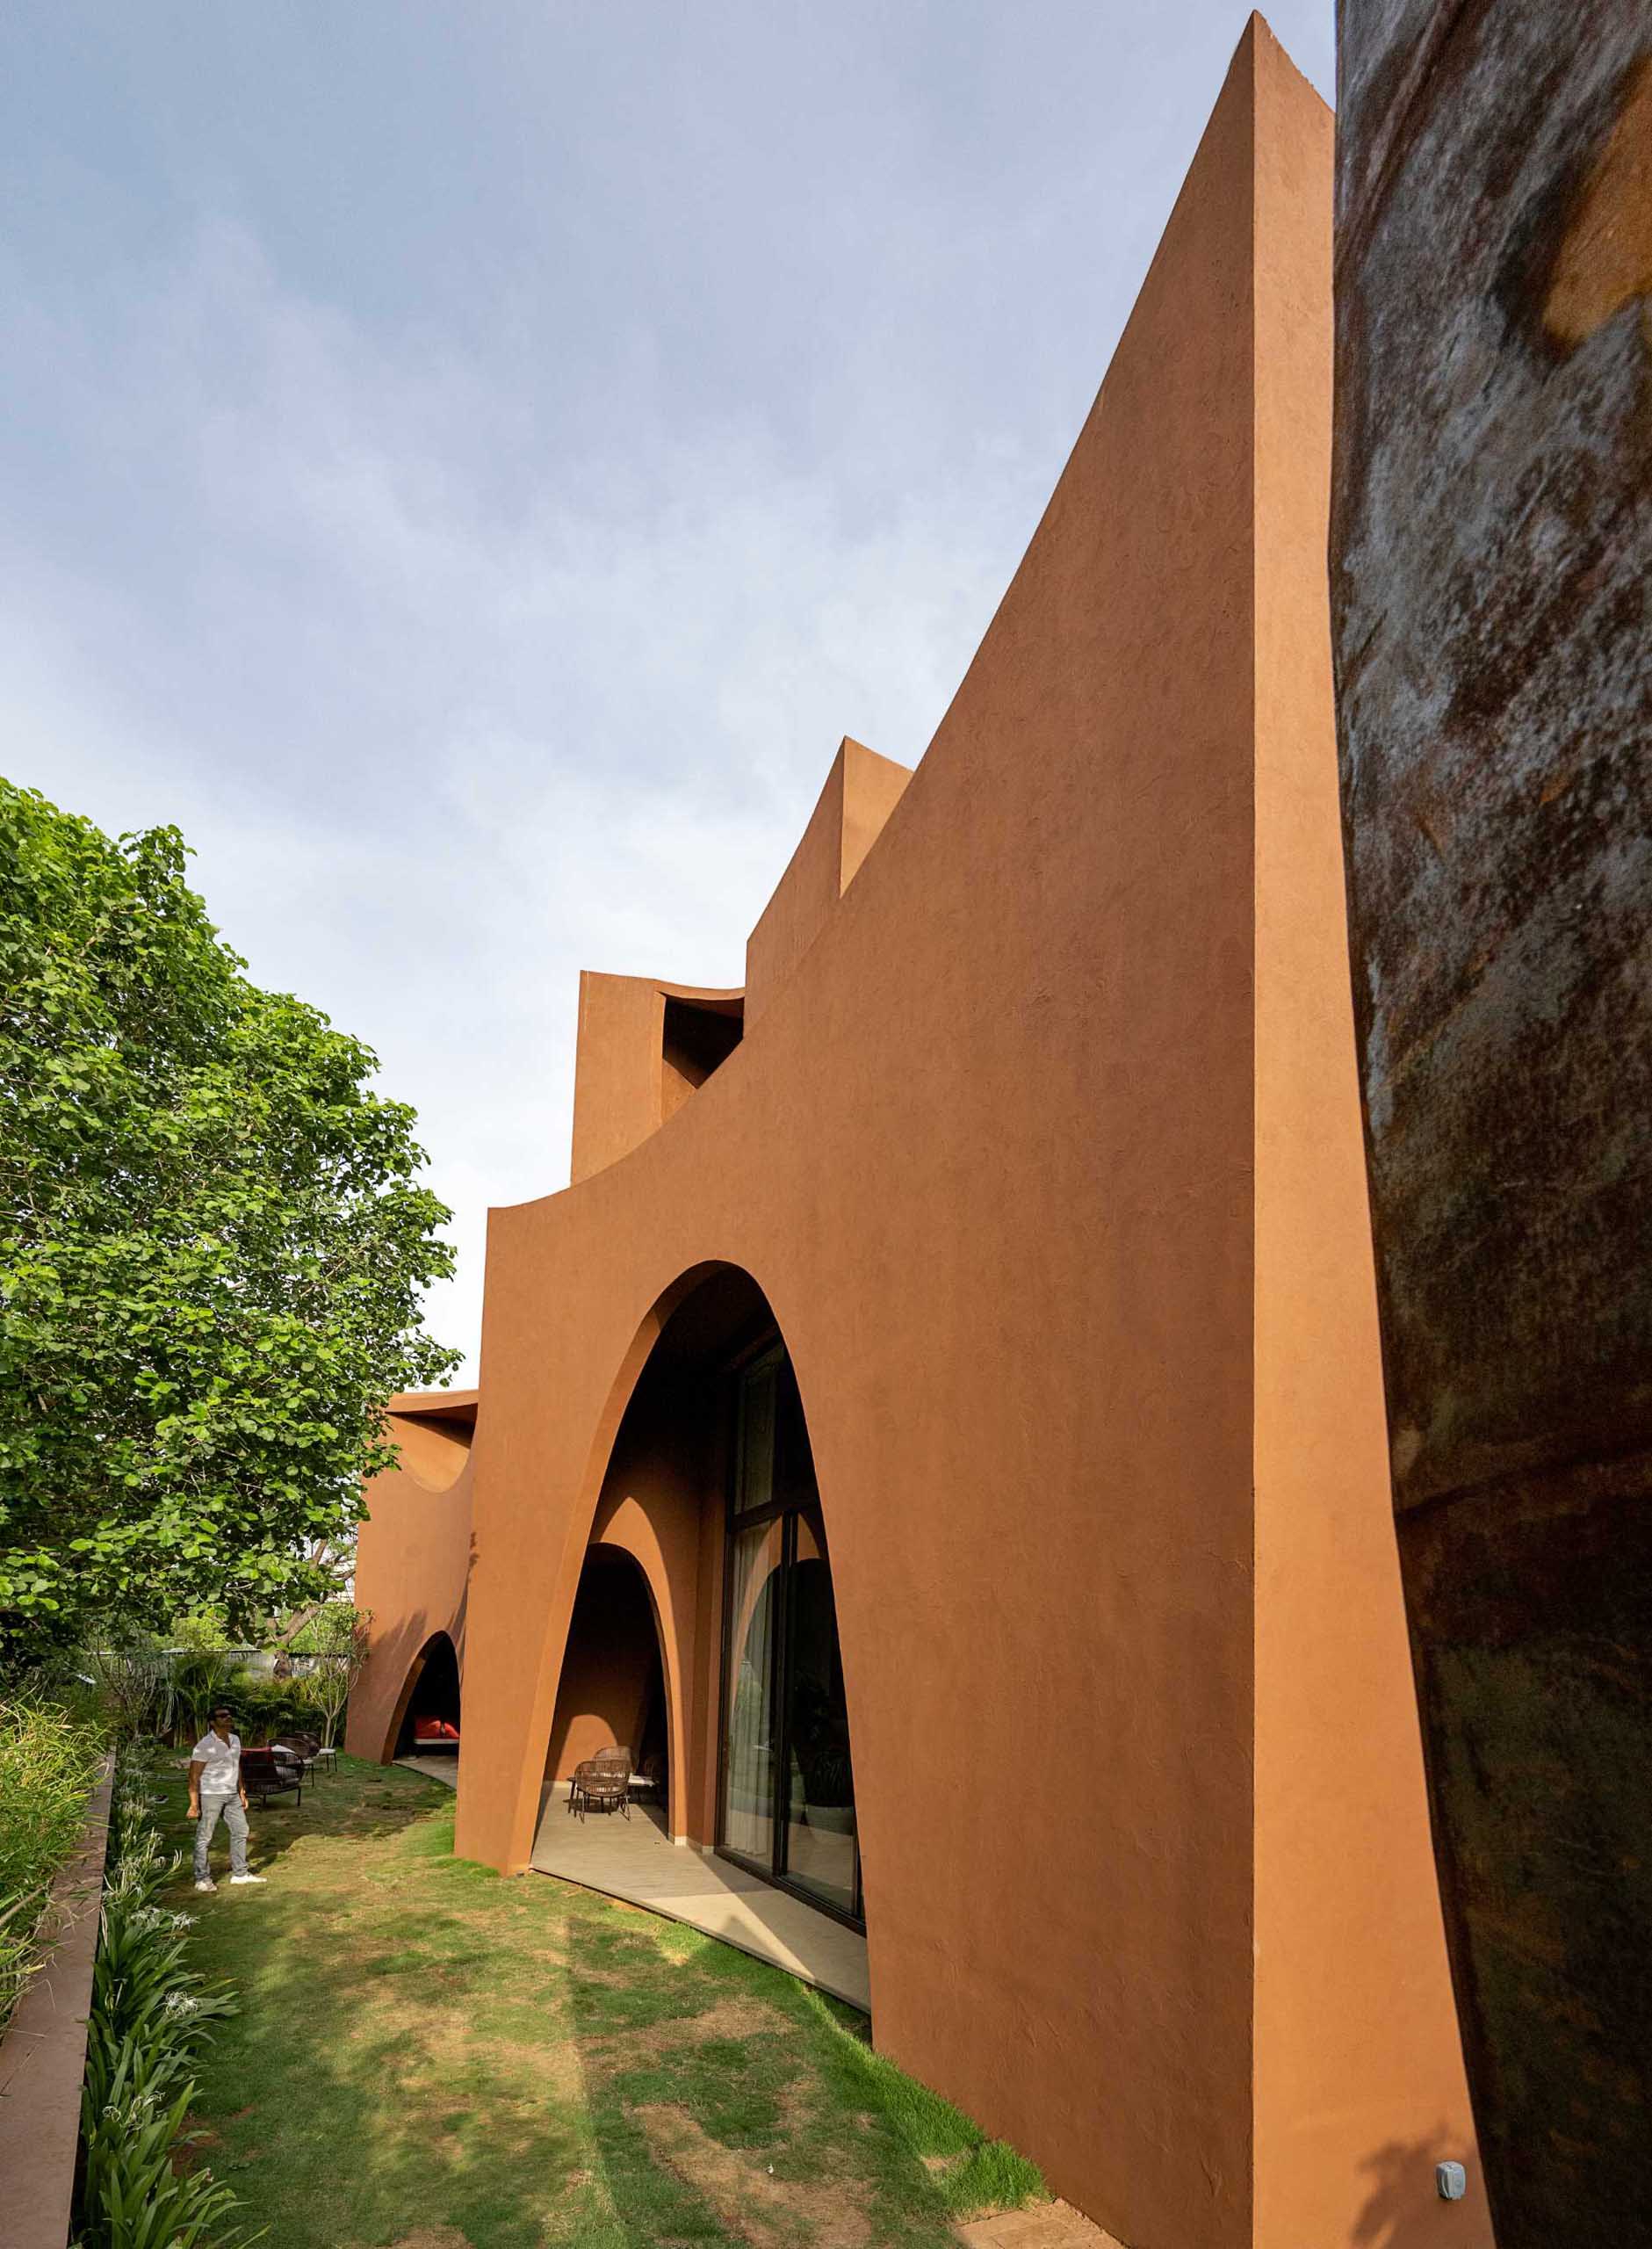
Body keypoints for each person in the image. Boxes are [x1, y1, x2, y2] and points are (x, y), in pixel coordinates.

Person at [188, 1705, 266, 1891]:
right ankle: (202, 1879)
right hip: (211, 1795)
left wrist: (241, 1791)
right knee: (205, 1837)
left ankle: (240, 1874)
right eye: (223, 1716)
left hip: (232, 1794)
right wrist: (194, 1804)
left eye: (230, 1715)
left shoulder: (235, 1740)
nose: (228, 1718)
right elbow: (193, 1776)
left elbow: (236, 1765)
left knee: (241, 1830)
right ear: (212, 1722)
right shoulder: (204, 1746)